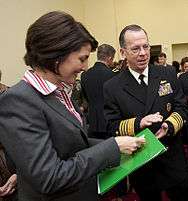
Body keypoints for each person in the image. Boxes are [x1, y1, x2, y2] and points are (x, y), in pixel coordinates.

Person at [0, 11, 145, 201]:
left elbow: (74, 144)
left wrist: (120, 144)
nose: (85, 67)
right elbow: (50, 177)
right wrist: (112, 147)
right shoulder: (18, 101)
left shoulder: (59, 91)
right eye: (82, 58)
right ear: (56, 56)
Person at [103, 24, 188, 201]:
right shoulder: (112, 87)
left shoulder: (167, 73)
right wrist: (139, 122)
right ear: (123, 53)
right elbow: (111, 126)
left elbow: (181, 107)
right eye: (135, 49)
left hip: (172, 155)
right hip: (142, 161)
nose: (143, 53)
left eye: (146, 46)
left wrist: (169, 125)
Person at [81, 44, 116, 139]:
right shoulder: (113, 76)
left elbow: (86, 99)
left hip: (91, 122)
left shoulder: (85, 75)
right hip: (108, 123)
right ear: (109, 58)